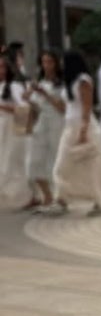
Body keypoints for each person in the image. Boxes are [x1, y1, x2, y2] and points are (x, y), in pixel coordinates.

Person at [50, 48, 101, 215]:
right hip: (70, 126)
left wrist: (84, 130)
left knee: (91, 167)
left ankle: (99, 202)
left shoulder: (83, 80)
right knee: (62, 165)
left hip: (83, 127)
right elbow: (67, 107)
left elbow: (87, 107)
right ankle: (62, 199)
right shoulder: (70, 82)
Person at [25, 49, 65, 210]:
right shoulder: (40, 82)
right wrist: (28, 98)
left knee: (56, 159)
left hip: (57, 122)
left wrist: (45, 94)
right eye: (43, 62)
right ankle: (47, 196)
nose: (46, 65)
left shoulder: (61, 84)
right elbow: (37, 107)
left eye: (50, 62)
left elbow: (62, 108)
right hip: (41, 123)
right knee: (34, 160)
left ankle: (61, 197)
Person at [0, 50, 32, 209]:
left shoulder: (13, 86)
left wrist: (2, 107)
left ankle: (22, 195)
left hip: (12, 127)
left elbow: (23, 108)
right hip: (2, 127)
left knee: (13, 161)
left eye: (2, 67)